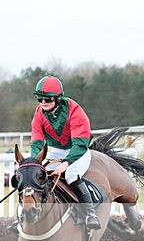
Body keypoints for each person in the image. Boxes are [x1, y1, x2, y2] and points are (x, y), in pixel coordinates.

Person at [29, 75, 100, 230]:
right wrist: (35, 162)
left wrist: (66, 163)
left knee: (70, 175)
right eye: (40, 99)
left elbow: (80, 144)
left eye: (47, 99)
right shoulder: (39, 113)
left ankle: (90, 213)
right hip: (57, 151)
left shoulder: (74, 110)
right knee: (37, 175)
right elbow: (37, 142)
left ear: (58, 98)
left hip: (78, 151)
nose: (43, 102)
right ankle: (31, 213)